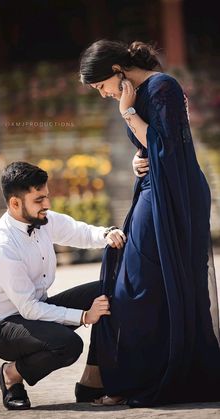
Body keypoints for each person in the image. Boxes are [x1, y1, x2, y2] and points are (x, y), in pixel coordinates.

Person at [79, 39, 220, 406]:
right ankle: (131, 375)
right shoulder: (138, 93)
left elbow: (168, 148)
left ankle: (156, 376)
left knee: (146, 286)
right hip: (153, 188)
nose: (103, 95)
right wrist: (135, 161)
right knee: (131, 278)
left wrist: (128, 112)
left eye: (100, 87)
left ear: (116, 70)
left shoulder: (161, 87)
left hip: (177, 195)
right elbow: (150, 149)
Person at [0, 160, 127, 410]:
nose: (47, 205)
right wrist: (84, 316)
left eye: (46, 197)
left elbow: (77, 232)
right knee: (68, 345)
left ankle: (94, 379)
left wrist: (107, 233)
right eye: (39, 200)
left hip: (37, 309)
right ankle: (12, 374)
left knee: (108, 290)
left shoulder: (43, 220)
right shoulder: (1, 246)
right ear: (15, 203)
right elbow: (29, 309)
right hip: (4, 328)